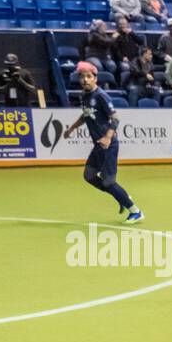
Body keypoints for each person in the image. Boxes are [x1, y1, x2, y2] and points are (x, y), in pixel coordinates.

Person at [64, 62, 142, 223]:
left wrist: (108, 137)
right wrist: (71, 129)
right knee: (89, 175)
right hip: (98, 145)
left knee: (108, 181)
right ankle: (121, 197)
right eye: (82, 77)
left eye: (89, 76)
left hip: (109, 145)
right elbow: (86, 115)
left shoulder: (101, 95)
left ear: (95, 78)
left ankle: (135, 211)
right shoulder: (84, 96)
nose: (85, 80)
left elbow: (115, 118)